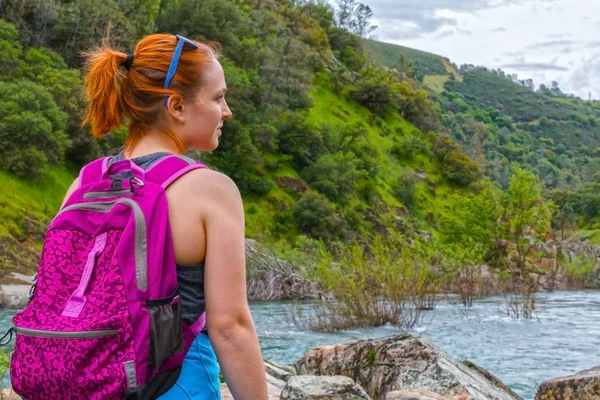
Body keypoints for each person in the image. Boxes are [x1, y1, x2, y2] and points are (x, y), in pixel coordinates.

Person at [62, 33, 269, 400]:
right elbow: (230, 328)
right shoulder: (210, 190)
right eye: (218, 97)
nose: (227, 111)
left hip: (82, 381)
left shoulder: (85, 180)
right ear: (176, 105)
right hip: (173, 384)